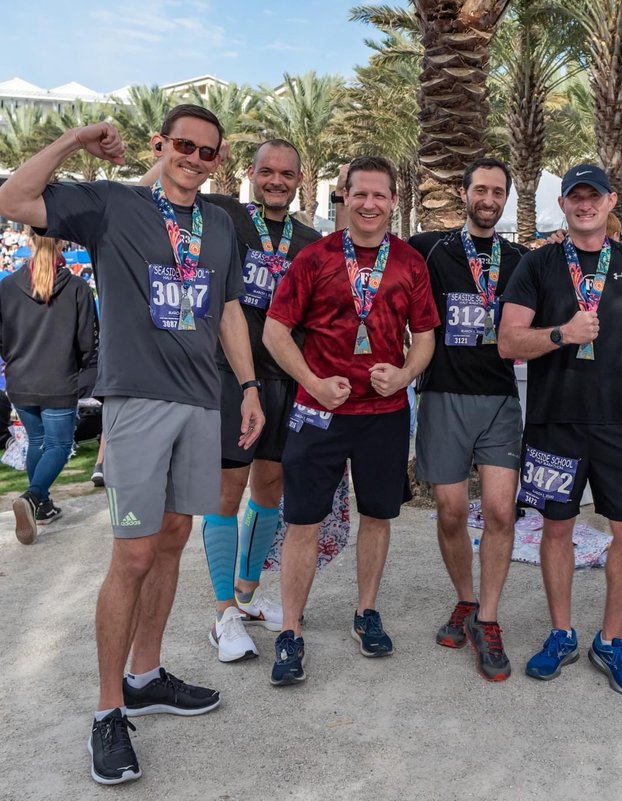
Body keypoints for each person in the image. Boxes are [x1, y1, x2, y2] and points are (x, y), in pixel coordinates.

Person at [0, 105, 264, 785]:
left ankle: (145, 674)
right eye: (183, 145)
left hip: (203, 401)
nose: (194, 159)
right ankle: (108, 709)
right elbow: (13, 196)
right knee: (135, 551)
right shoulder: (114, 204)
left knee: (175, 535)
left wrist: (250, 386)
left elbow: (229, 308)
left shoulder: (219, 226)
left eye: (207, 152)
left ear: (218, 160)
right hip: (138, 402)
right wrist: (75, 140)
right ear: (161, 145)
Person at [263, 155, 439, 687]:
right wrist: (313, 383)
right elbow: (275, 332)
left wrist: (406, 374)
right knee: (303, 521)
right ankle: (290, 631)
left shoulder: (409, 263)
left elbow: (426, 336)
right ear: (343, 195)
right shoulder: (314, 257)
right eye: (359, 194)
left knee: (379, 516)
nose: (369, 204)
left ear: (392, 200)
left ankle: (366, 612)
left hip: (383, 415)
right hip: (318, 414)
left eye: (379, 195)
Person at [499, 164, 622, 698]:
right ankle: (561, 632)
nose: (585, 205)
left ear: (611, 201)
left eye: (594, 196)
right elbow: (508, 342)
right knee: (556, 528)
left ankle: (610, 641)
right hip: (554, 421)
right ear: (564, 204)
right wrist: (561, 334)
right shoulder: (538, 263)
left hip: (618, 421)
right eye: (576, 197)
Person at [174, 141, 324, 661]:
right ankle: (222, 615)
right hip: (231, 374)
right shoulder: (225, 215)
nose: (276, 181)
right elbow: (169, 188)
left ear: (300, 180)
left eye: (286, 174)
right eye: (267, 172)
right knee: (227, 487)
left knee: (270, 486)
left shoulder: (313, 240)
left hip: (286, 378)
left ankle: (247, 596)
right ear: (250, 175)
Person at [408, 158, 527, 682]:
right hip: (443, 395)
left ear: (505, 199)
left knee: (501, 513)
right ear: (464, 192)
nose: (488, 198)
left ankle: (489, 617)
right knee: (452, 512)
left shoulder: (522, 259)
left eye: (498, 191)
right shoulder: (429, 248)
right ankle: (464, 599)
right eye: (480, 188)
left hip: (500, 398)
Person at [0, 232, 97, 543]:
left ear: (29, 241)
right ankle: (32, 497)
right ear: (62, 245)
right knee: (57, 445)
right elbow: (87, 344)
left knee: (38, 441)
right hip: (58, 380)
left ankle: (41, 507)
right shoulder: (79, 288)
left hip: (20, 379)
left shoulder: (7, 286)